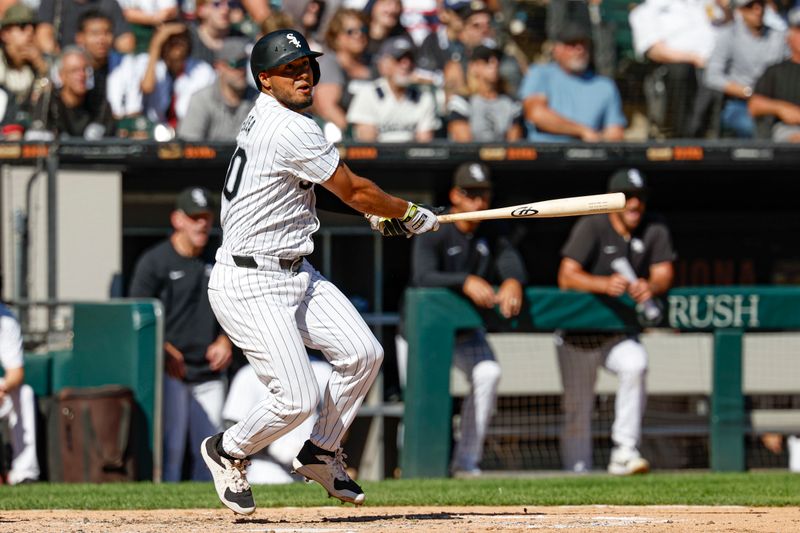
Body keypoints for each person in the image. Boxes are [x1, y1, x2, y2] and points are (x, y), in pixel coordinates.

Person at [199, 29, 439, 516]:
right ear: (265, 80)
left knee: (363, 353)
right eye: (290, 68)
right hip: (250, 281)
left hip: (294, 269)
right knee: (295, 396)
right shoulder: (290, 127)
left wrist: (375, 214)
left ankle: (321, 452)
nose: (303, 74)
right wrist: (406, 211)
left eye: (307, 64)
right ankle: (227, 449)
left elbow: (317, 190)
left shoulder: (273, 119)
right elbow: (353, 188)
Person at [400, 161, 527, 476]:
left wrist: (513, 280)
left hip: (467, 332)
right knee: (422, 401)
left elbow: (510, 259)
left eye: (483, 194)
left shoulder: (493, 227)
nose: (478, 202)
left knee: (489, 373)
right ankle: (412, 468)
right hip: (422, 332)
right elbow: (422, 275)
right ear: (455, 195)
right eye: (471, 194)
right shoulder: (436, 226)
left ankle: (467, 462)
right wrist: (464, 280)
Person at [555, 168, 675, 475]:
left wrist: (650, 285)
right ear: (614, 201)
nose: (635, 204)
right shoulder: (592, 224)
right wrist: (602, 284)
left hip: (618, 334)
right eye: (628, 198)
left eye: (640, 198)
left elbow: (663, 272)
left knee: (636, 364)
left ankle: (625, 451)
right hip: (577, 337)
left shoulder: (654, 228)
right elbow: (566, 275)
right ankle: (576, 471)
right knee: (578, 410)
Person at [129, 186, 233, 482]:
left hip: (209, 370)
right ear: (178, 219)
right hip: (172, 371)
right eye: (194, 217)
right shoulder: (155, 261)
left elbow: (237, 302)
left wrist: (226, 339)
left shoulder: (219, 256)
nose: (201, 223)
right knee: (171, 449)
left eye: (206, 216)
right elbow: (137, 313)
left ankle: (208, 513)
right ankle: (168, 514)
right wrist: (162, 348)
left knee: (211, 448)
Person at [517, 21, 626, 142]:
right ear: (557, 49)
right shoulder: (540, 73)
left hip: (589, 157)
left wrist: (597, 140)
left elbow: (615, 133)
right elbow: (535, 114)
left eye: (583, 43)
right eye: (572, 44)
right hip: (545, 154)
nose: (579, 49)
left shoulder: (605, 86)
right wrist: (582, 131)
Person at [703, 0, 787, 138]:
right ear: (740, 10)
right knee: (757, 130)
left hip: (775, 103)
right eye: (750, 6)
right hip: (740, 104)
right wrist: (748, 92)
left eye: (761, 5)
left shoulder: (778, 36)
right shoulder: (729, 34)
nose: (757, 10)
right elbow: (712, 76)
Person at [347, 35, 439, 142]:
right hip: (379, 157)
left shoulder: (424, 98)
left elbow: (424, 146)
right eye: (398, 59)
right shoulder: (368, 94)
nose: (406, 65)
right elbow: (368, 145)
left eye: (410, 59)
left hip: (411, 158)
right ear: (383, 65)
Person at [177, 37, 254, 141]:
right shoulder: (201, 100)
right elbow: (188, 145)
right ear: (219, 66)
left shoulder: (258, 100)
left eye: (245, 63)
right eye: (235, 64)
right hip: (207, 157)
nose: (242, 70)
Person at [312, 7, 371, 141]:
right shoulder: (330, 63)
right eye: (351, 31)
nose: (359, 35)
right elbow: (327, 107)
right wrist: (355, 136)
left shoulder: (371, 63)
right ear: (336, 36)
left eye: (363, 30)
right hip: (345, 139)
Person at [30, 45, 115, 138]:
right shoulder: (49, 102)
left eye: (85, 69)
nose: (82, 75)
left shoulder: (99, 102)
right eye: (74, 71)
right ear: (61, 76)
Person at [446, 43, 522, 142]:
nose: (494, 64)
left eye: (497, 59)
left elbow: (513, 146)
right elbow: (464, 146)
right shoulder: (461, 102)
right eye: (487, 60)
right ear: (473, 66)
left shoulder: (512, 103)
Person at [0, 303, 40, 485]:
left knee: (23, 393)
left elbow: (16, 371)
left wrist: (3, 389)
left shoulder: (5, 319)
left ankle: (24, 473)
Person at [748, 6, 800, 141]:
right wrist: (780, 108)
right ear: (789, 36)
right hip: (788, 129)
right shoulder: (776, 71)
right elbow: (754, 105)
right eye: (799, 31)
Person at [36, 0, 134, 55]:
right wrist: (62, 62)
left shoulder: (109, 3)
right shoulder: (54, 3)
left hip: (101, 67)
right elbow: (43, 37)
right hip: (66, 68)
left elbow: (126, 42)